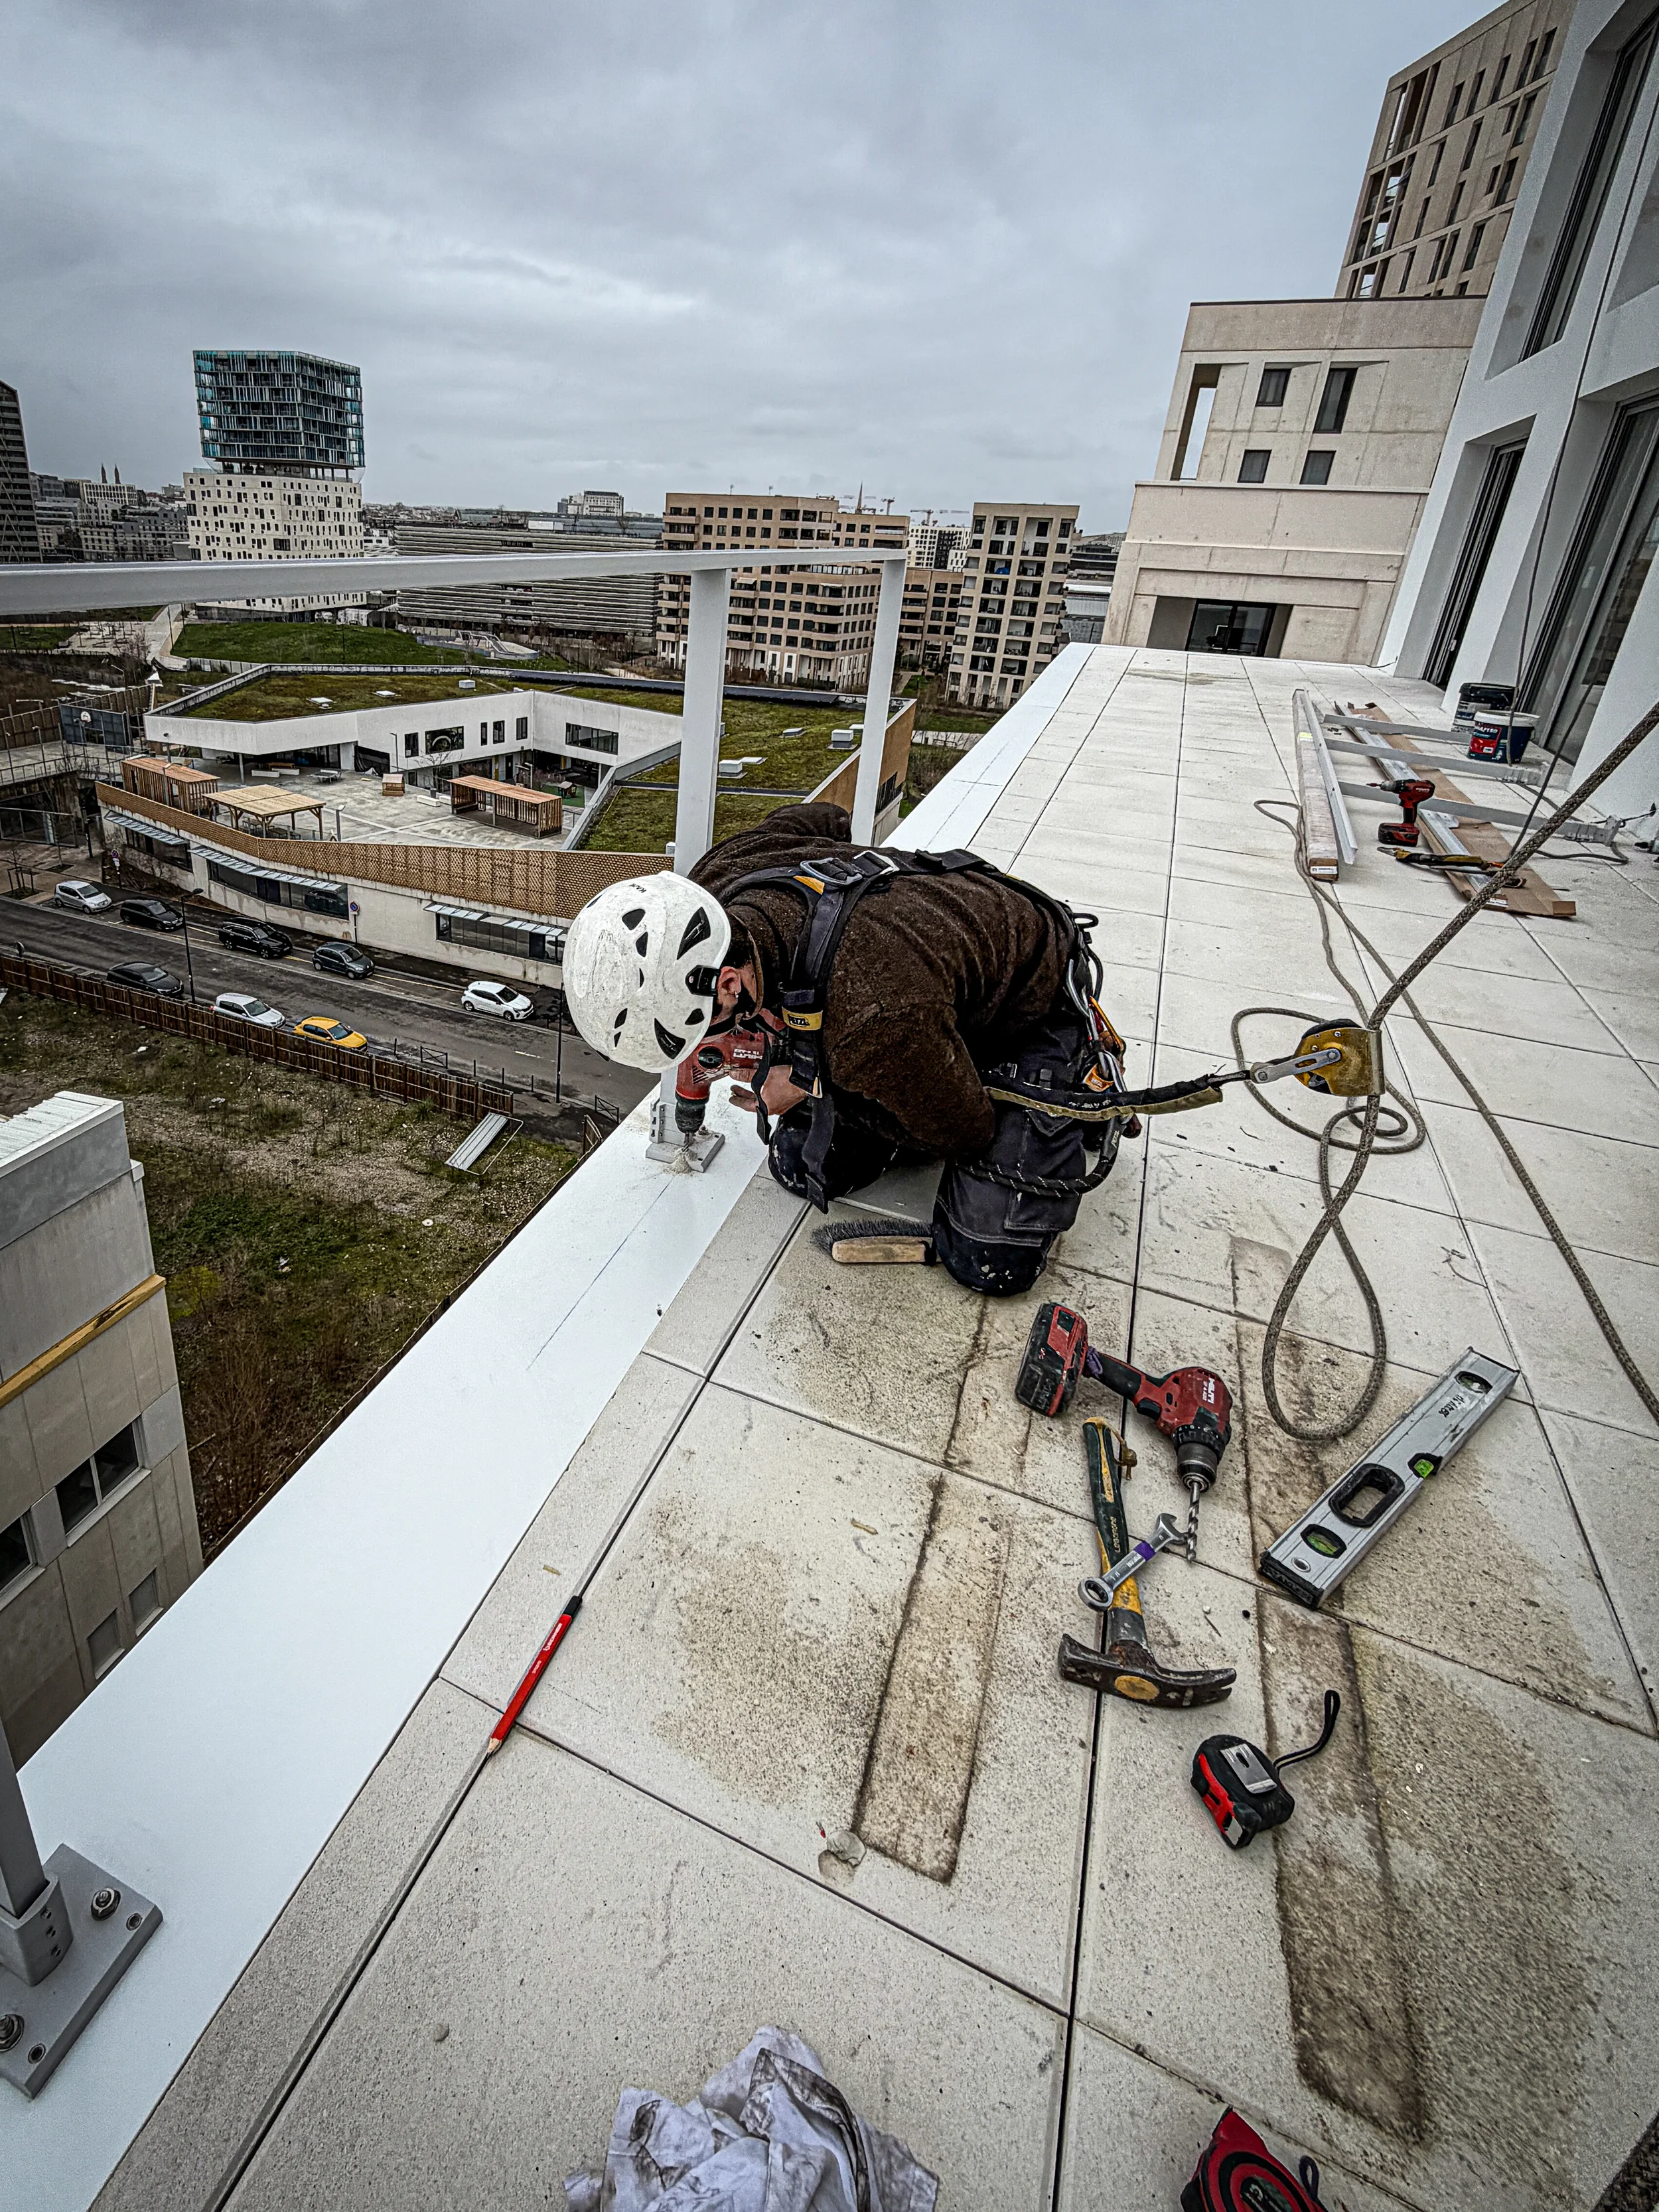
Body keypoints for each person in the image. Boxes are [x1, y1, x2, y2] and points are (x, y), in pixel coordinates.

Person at [561, 801, 1131, 1294]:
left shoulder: (869, 1020)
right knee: (798, 1163)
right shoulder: (719, 882)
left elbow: (963, 1132)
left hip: (1028, 997)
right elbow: (827, 820)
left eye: (703, 1031)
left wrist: (812, 1080)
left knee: (987, 1255)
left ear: (730, 983)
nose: (706, 1048)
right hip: (922, 985)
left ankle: (1067, 1063)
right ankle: (925, 1061)